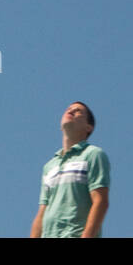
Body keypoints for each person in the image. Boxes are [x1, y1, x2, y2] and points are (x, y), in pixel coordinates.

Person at [30, 101, 110, 238]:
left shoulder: (93, 155)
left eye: (78, 111)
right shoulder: (49, 166)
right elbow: (42, 211)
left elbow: (101, 201)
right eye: (69, 109)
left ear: (88, 127)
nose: (71, 111)